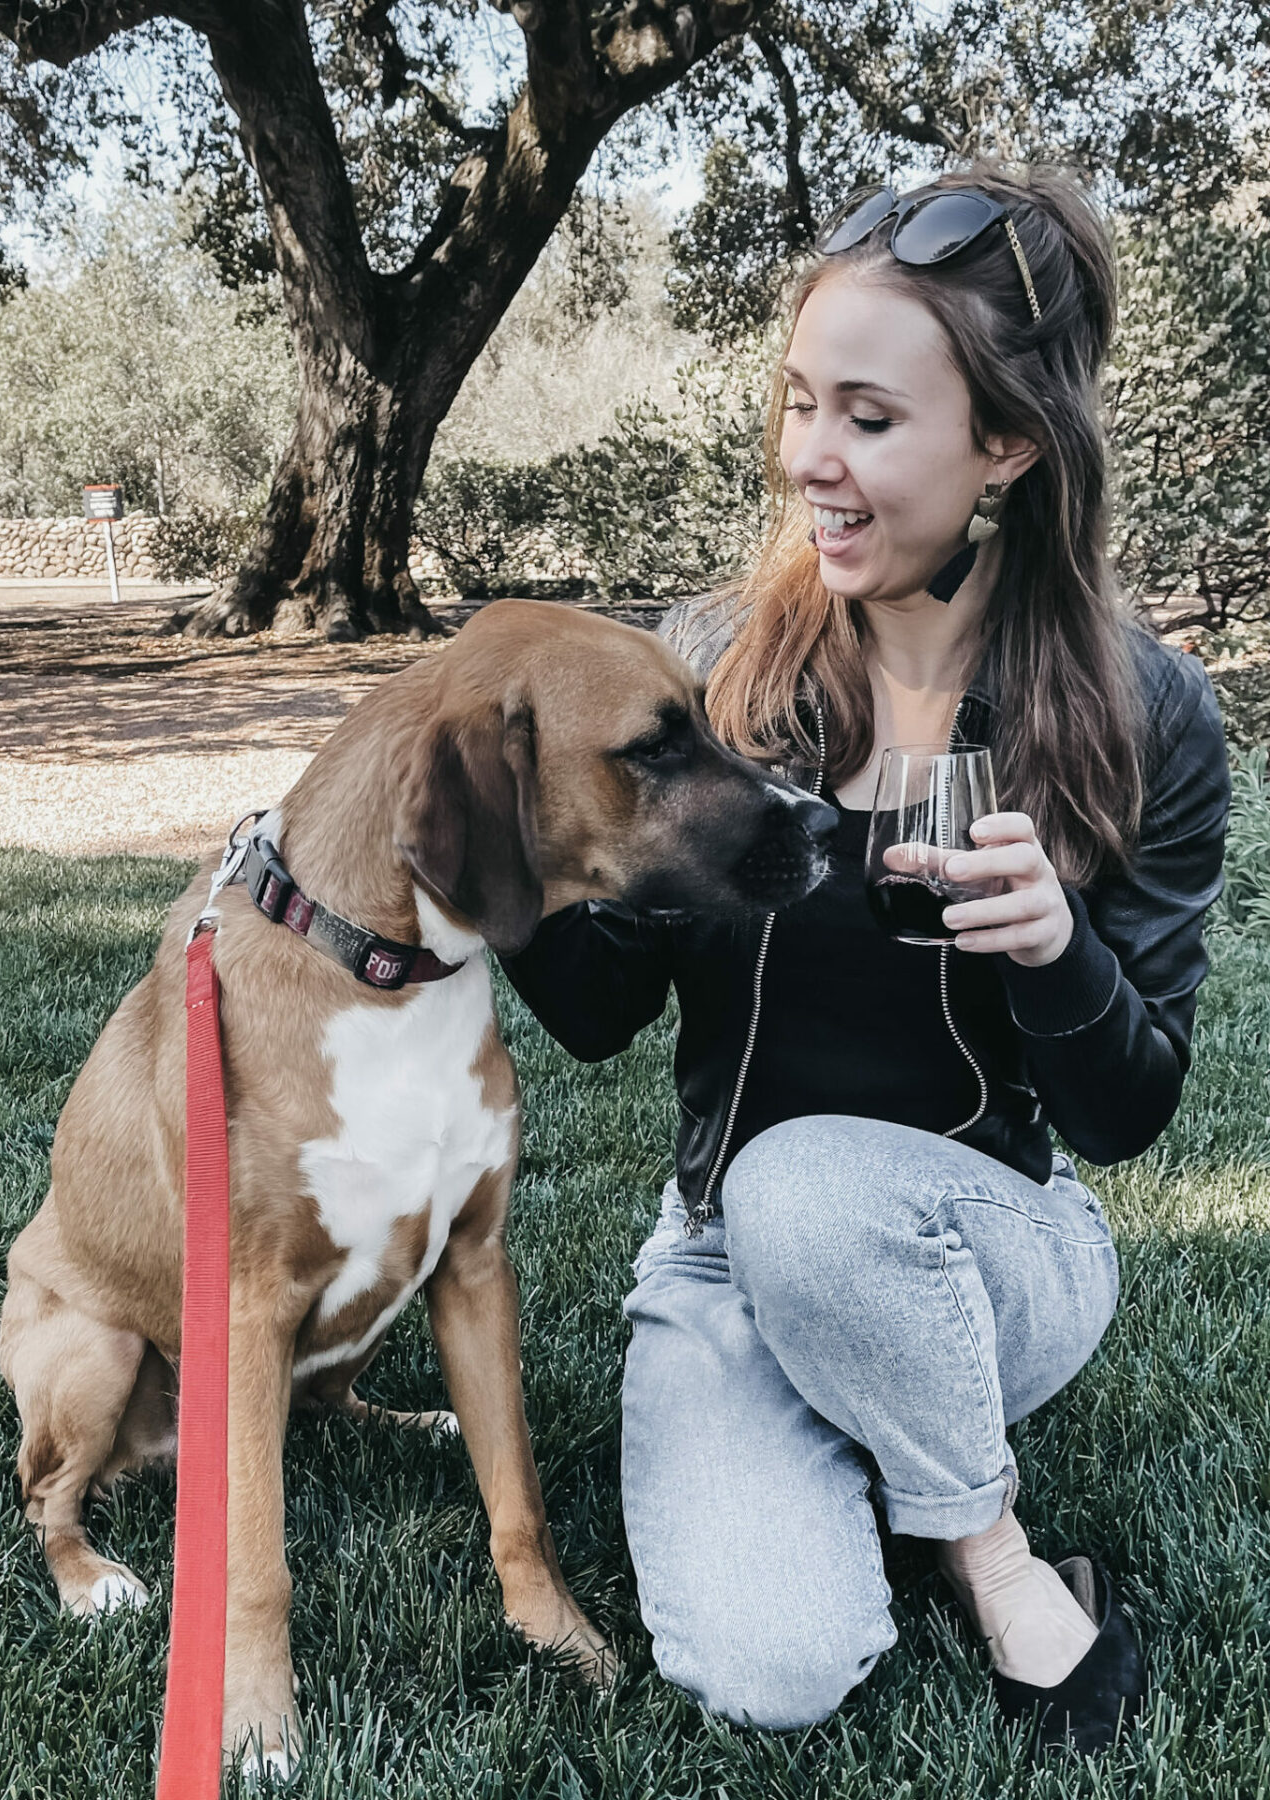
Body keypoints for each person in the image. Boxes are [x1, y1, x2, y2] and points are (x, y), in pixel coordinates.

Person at [495, 160, 1231, 1756]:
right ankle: (864, 1439)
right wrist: (492, 867)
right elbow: (607, 1008)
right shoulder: (709, 669)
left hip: (995, 1245)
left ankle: (993, 1548)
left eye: (872, 421)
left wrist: (1057, 955)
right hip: (725, 1255)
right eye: (798, 402)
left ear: (1010, 448)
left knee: (812, 1187)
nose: (809, 461)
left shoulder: (1149, 714)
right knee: (770, 1669)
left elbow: (1126, 1112)